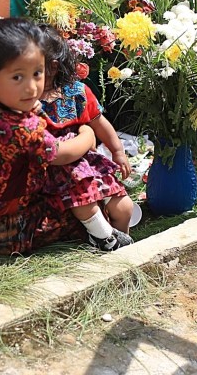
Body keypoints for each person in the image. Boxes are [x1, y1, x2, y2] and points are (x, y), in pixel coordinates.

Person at [0, 17, 129, 255]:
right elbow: (62, 155)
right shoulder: (19, 128)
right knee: (80, 193)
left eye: (37, 73)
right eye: (17, 77)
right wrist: (87, 135)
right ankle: (105, 238)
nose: (32, 87)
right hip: (5, 230)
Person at [40, 27, 135, 250]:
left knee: (125, 208)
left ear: (53, 65)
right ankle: (104, 242)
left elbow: (99, 122)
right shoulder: (25, 98)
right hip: (56, 170)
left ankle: (122, 247)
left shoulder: (77, 92)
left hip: (89, 163)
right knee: (86, 205)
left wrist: (118, 152)